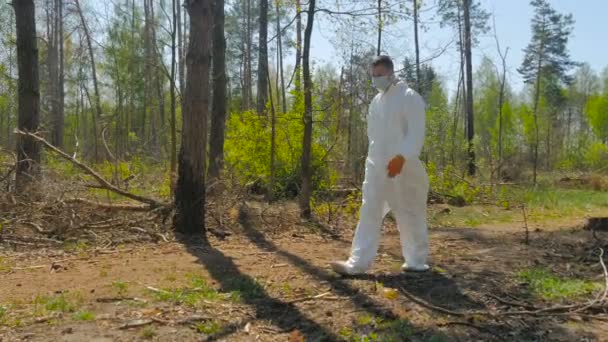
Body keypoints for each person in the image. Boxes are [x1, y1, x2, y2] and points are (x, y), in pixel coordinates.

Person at [331, 55, 430, 275]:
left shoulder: (409, 97)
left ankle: (416, 260)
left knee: (409, 211)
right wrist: (372, 161)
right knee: (369, 210)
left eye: (380, 75)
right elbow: (373, 136)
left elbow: (416, 132)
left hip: (404, 169)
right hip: (377, 167)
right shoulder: (376, 102)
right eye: (373, 76)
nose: (376, 79)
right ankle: (357, 263)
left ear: (391, 73)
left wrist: (402, 157)